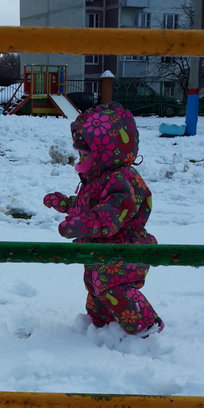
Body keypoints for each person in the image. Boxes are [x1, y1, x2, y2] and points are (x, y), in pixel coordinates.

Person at [43, 102, 164, 337]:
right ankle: (103, 326)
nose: (80, 159)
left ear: (105, 153)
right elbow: (88, 206)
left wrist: (81, 225)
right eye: (79, 154)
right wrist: (65, 203)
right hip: (102, 248)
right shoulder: (99, 177)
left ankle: (146, 327)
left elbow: (109, 215)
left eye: (85, 154)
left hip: (124, 249)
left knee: (114, 288)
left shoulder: (122, 179)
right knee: (96, 287)